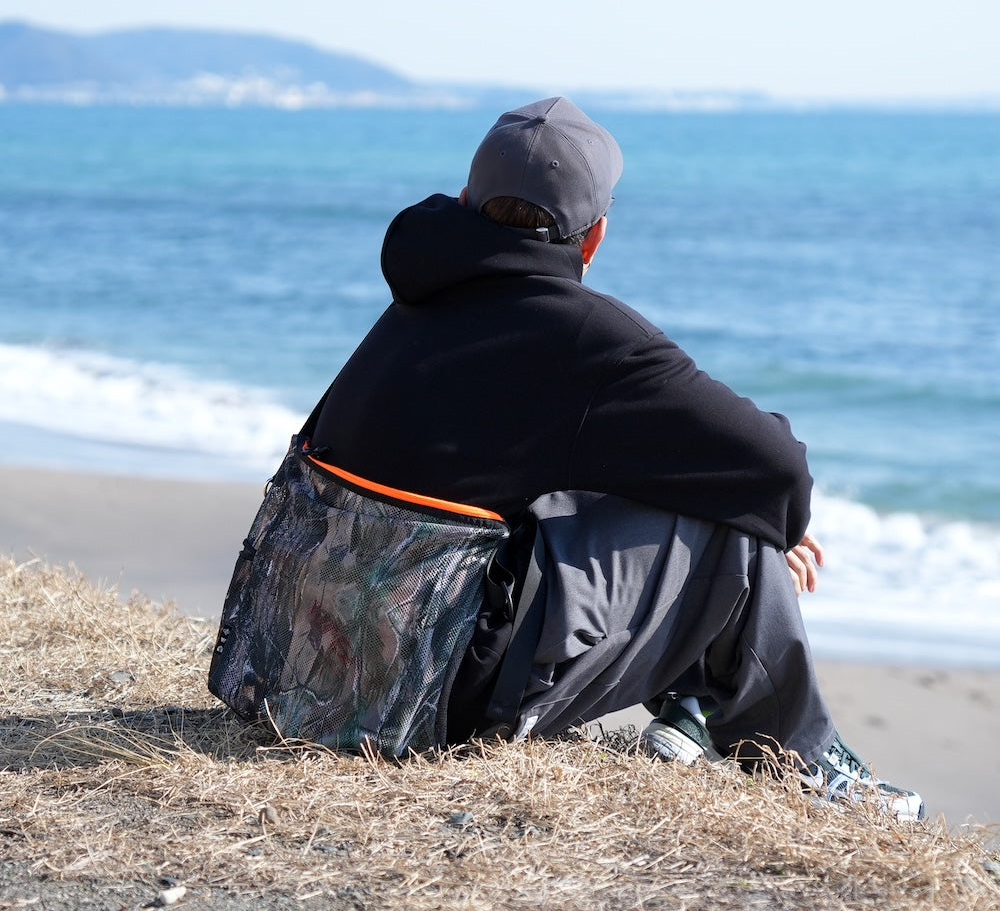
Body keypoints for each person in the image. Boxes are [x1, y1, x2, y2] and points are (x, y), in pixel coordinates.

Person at [215, 97, 922, 821]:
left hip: (298, 666)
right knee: (735, 527)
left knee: (652, 477)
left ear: (466, 200)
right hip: (430, 700)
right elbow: (775, 469)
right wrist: (770, 523)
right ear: (595, 236)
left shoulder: (412, 302)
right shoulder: (591, 338)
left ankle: (690, 706)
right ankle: (806, 766)